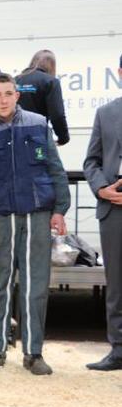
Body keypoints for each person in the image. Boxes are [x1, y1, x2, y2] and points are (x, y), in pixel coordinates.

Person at [0, 72, 70, 375]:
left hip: (37, 215)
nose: (3, 100)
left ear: (17, 95)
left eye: (8, 93)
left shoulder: (38, 124)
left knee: (35, 286)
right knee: (1, 285)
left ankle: (33, 352)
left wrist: (60, 208)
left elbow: (55, 167)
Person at [82, 54, 122, 371]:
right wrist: (100, 188)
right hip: (113, 209)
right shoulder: (106, 113)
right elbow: (91, 161)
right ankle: (118, 350)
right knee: (116, 284)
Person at [15, 50, 70, 146]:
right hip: (37, 136)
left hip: (13, 136)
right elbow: (57, 114)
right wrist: (63, 138)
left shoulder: (15, 80)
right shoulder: (51, 81)